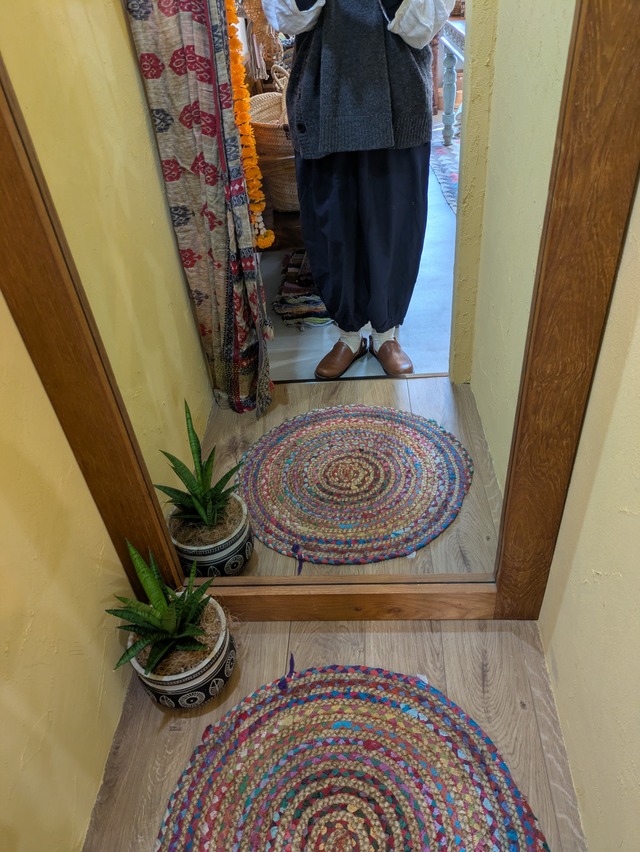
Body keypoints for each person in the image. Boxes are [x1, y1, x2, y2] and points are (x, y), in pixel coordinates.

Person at [261, 0, 455, 378]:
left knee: (395, 221)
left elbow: (423, 23)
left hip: (398, 91)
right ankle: (348, 334)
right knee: (331, 223)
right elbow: (285, 16)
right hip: (322, 88)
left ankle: (386, 334)